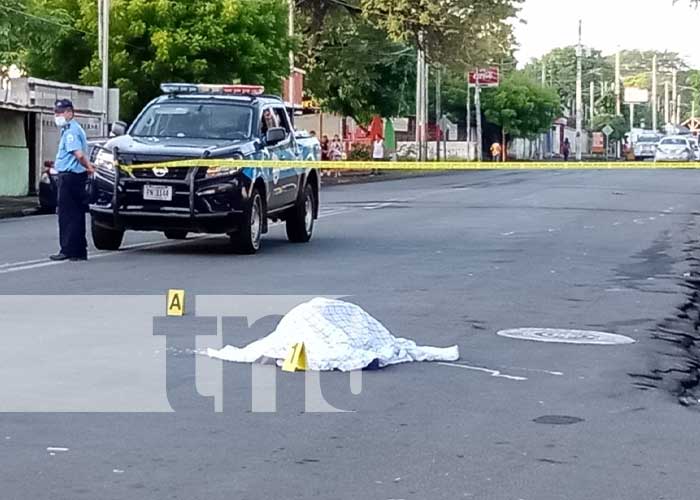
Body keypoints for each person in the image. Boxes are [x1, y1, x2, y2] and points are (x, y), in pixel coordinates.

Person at [50, 99, 95, 262]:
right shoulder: (71, 129)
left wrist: (89, 167)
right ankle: (78, 251)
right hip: (75, 176)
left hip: (70, 177)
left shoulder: (71, 131)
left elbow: (79, 155)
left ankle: (68, 249)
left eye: (60, 113)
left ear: (69, 112)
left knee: (67, 214)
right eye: (55, 113)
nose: (57, 116)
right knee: (76, 214)